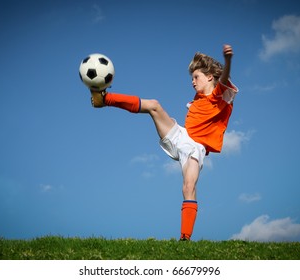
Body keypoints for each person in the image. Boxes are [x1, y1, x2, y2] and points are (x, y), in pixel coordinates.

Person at [89, 44, 239, 240]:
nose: (193, 82)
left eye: (196, 77)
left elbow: (225, 78)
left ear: (210, 77)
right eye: (192, 78)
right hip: (180, 136)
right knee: (154, 105)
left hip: (195, 147)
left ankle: (185, 239)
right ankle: (104, 98)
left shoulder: (220, 95)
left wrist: (227, 61)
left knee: (188, 187)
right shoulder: (199, 96)